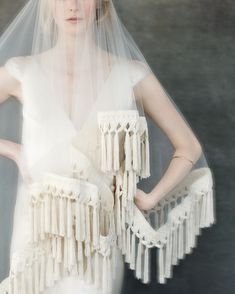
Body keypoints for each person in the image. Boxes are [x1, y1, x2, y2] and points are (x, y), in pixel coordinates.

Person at [0, 0, 215, 293]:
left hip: (97, 246)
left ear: (100, 4)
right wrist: (13, 150)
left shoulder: (131, 75)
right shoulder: (21, 71)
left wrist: (151, 199)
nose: (72, 6)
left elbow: (188, 147)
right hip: (36, 237)